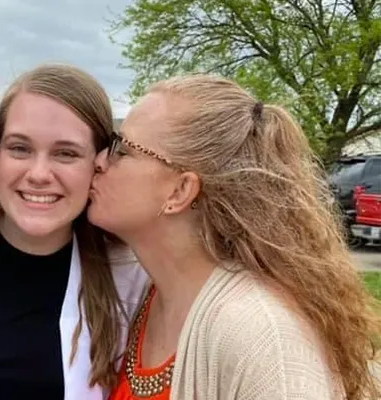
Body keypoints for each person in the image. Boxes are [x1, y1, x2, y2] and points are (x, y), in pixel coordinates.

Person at [88, 73, 381, 400]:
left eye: (122, 150)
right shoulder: (148, 293)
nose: (99, 161)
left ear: (180, 190)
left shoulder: (265, 338)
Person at [0, 63, 148, 400]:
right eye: (20, 148)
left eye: (66, 153)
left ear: (98, 163)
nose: (38, 174)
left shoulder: (129, 275)